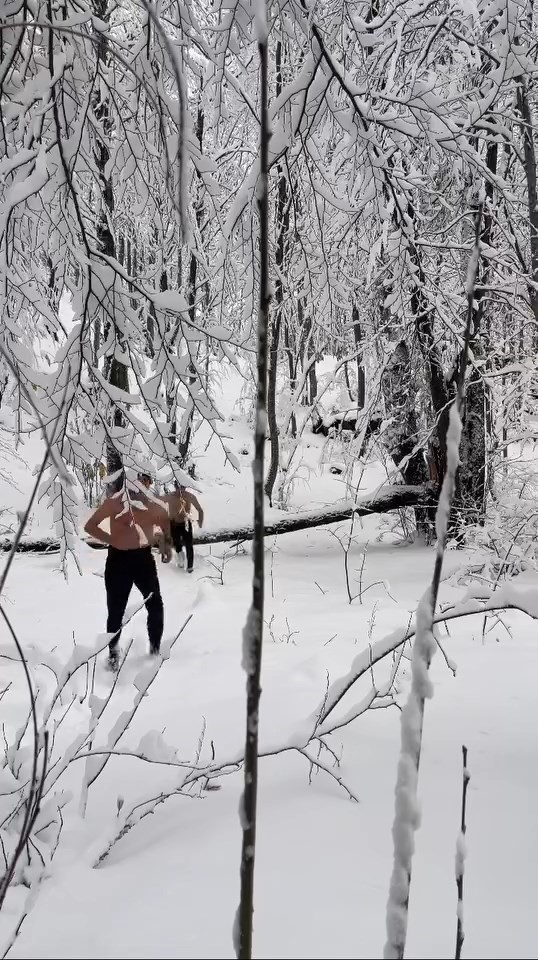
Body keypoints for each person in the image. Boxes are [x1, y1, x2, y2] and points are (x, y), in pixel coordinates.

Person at [84, 473, 172, 670]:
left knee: (155, 604)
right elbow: (90, 526)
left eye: (148, 480)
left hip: (144, 560)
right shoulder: (115, 502)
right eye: (141, 479)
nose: (145, 484)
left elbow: (164, 526)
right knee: (116, 611)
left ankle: (155, 650)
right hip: (118, 562)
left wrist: (165, 546)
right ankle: (113, 654)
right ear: (130, 480)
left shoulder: (152, 503)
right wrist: (113, 540)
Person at [164, 483, 204, 573]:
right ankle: (180, 558)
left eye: (183, 487)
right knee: (176, 542)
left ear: (185, 487)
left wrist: (200, 522)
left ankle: (190, 567)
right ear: (175, 487)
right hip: (173, 523)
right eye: (179, 487)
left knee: (189, 544)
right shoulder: (170, 496)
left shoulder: (189, 496)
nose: (181, 490)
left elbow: (200, 509)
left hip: (186, 522)